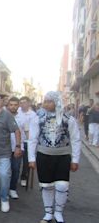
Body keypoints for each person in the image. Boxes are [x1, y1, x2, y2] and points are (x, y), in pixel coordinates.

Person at [28, 91, 81, 223]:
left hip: (62, 156)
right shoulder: (37, 118)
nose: (46, 104)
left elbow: (75, 139)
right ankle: (48, 212)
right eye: (45, 101)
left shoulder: (68, 119)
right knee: (46, 185)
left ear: (56, 102)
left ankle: (58, 212)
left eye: (49, 101)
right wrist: (31, 159)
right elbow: (33, 139)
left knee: (62, 186)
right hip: (43, 156)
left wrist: (75, 159)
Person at [6, 97, 25, 199]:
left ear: (18, 106)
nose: (13, 107)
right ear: (8, 105)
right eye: (11, 105)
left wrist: (21, 147)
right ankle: (4, 190)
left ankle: (12, 189)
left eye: (15, 105)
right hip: (4, 148)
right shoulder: (3, 116)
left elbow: (26, 134)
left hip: (17, 148)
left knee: (16, 169)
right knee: (4, 170)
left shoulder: (22, 118)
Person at [18, 96, 37, 187]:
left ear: (29, 103)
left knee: (26, 161)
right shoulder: (17, 112)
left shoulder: (33, 114)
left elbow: (33, 128)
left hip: (27, 141)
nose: (22, 104)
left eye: (24, 102)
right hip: (17, 140)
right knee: (16, 161)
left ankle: (24, 177)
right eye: (21, 102)